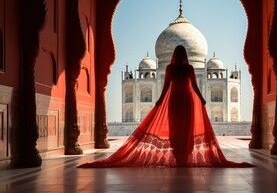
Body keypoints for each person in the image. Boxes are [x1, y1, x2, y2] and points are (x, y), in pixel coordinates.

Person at [78, 46, 253, 168]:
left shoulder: (169, 68)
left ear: (173, 56)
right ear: (186, 56)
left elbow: (166, 87)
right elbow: (195, 87)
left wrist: (159, 101)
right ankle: (184, 157)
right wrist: (202, 100)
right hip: (187, 101)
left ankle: (179, 157)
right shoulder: (190, 68)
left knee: (176, 128)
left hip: (174, 101)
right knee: (186, 128)